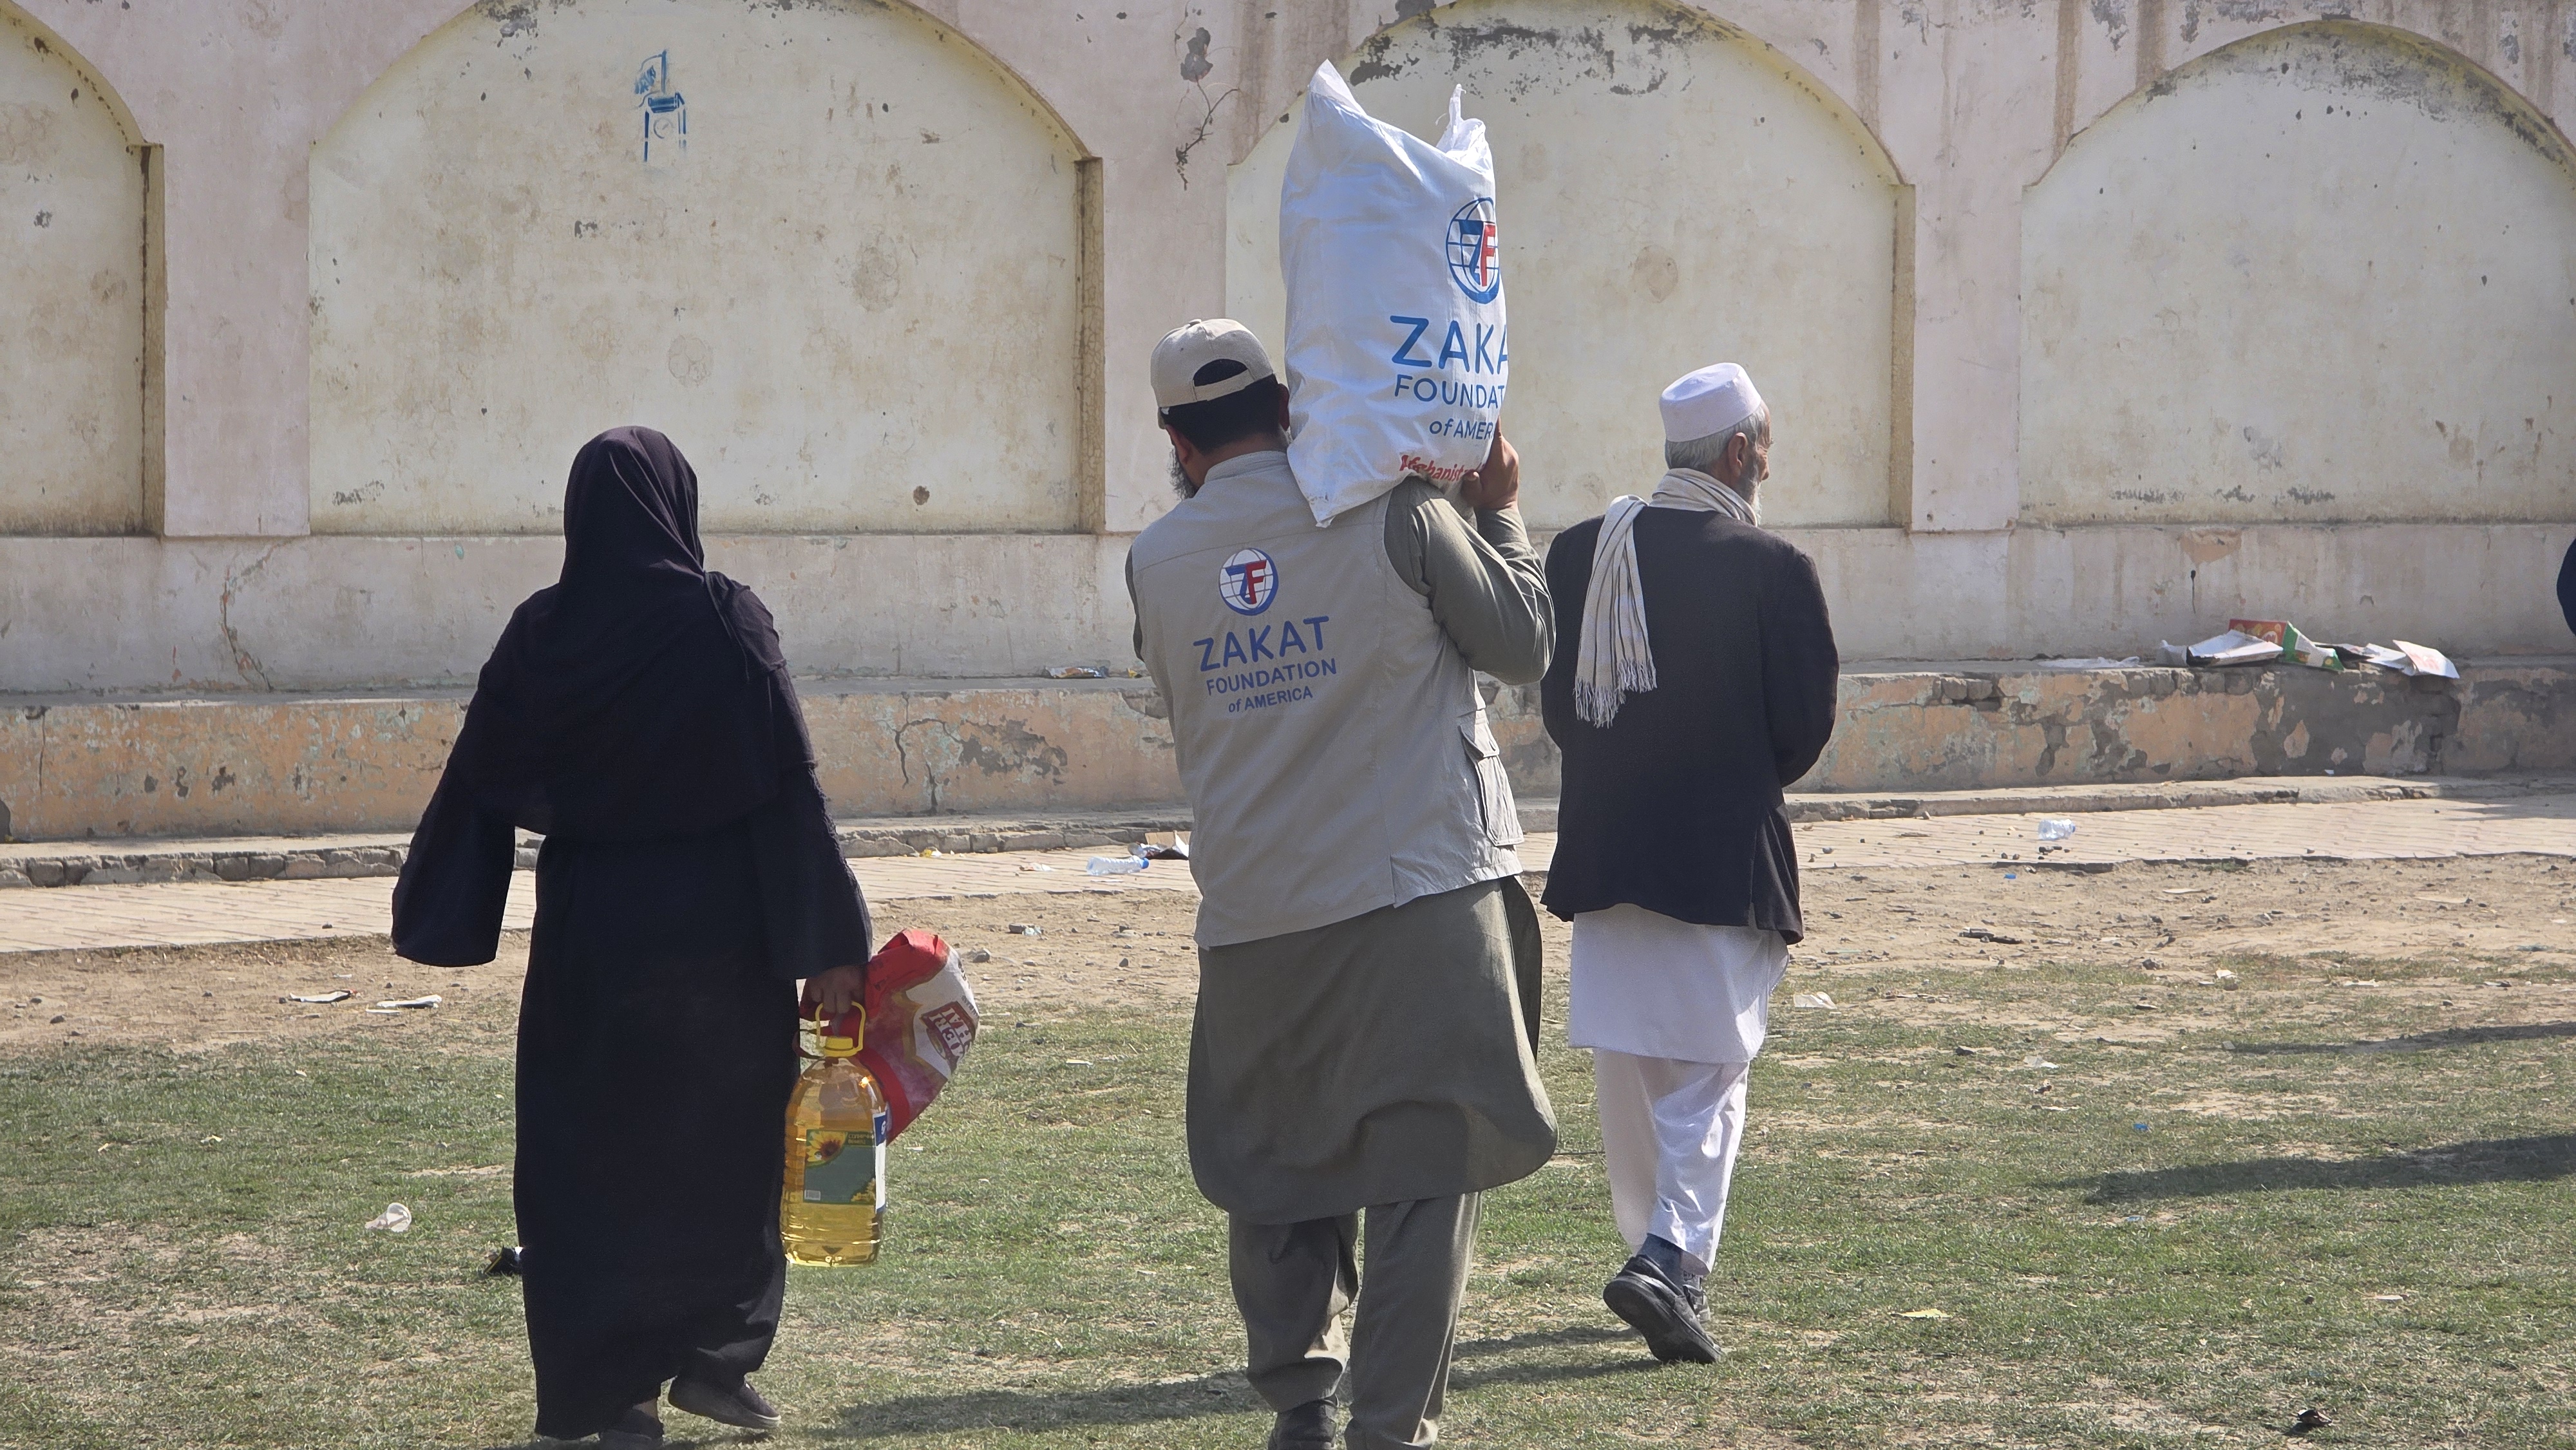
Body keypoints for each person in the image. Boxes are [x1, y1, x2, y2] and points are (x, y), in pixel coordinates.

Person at [392, 427, 873, 1449]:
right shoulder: (725, 619)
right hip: (721, 939)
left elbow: (480, 774)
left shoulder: (544, 632)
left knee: (586, 1166)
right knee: (725, 1152)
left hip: (592, 938)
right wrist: (831, 943)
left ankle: (606, 1398)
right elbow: (789, 785)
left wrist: (443, 910)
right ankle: (713, 1356)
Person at [1126, 320, 1558, 1450]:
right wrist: (1499, 508)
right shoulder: (1397, 511)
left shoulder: (1155, 562)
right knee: (1425, 1168)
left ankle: (1302, 1404)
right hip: (1419, 898)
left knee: (1279, 1162)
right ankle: (1390, 1427)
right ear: (1286, 409)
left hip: (1257, 914)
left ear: (1177, 441)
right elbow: (1521, 645)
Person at [1537, 364, 1839, 1364]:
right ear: (1741, 452)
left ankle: (1656, 1258)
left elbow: (1561, 710)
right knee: (1710, 1072)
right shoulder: (1773, 567)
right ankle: (1669, 1260)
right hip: (1718, 857)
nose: (1769, 466)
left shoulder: (1580, 551)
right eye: (1768, 448)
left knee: (1634, 1070)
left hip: (1607, 845)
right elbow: (1800, 732)